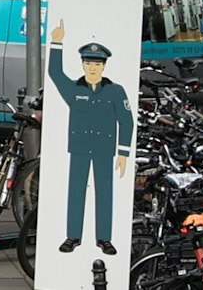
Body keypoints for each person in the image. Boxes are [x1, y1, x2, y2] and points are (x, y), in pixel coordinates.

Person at [48, 21, 133, 257]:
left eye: (97, 63)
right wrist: (57, 42)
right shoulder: (74, 89)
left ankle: (104, 239)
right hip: (80, 147)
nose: (92, 67)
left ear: (104, 66)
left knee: (104, 192)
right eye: (88, 63)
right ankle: (73, 236)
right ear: (83, 64)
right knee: (76, 190)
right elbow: (54, 72)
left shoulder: (115, 91)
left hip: (105, 149)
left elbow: (126, 121)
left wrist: (124, 152)